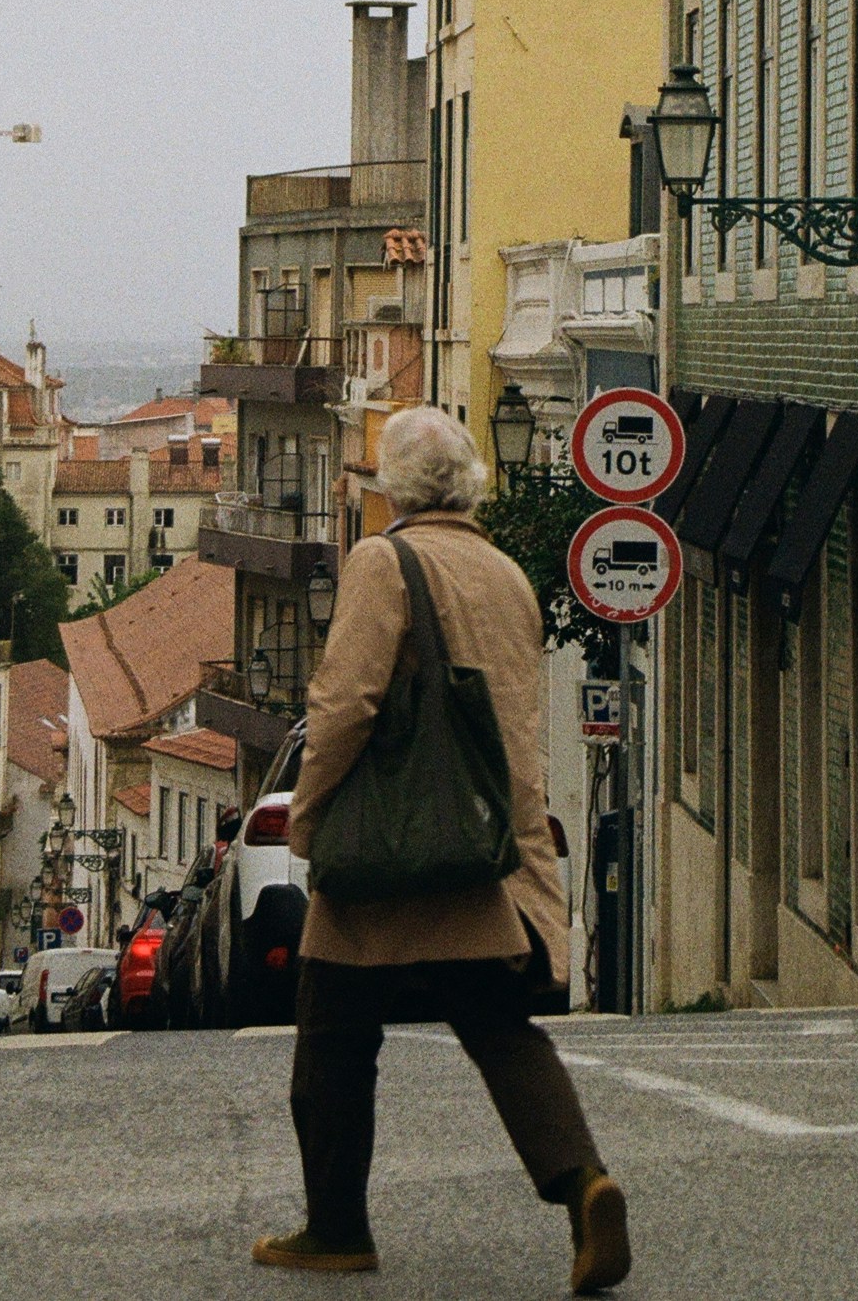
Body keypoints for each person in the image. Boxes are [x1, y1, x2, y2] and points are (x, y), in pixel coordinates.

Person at [256, 405, 629, 1293]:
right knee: (502, 1030)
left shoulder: (384, 561)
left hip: (393, 844)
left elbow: (345, 702)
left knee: (333, 1033)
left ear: (391, 487)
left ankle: (337, 1225)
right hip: (483, 845)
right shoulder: (505, 573)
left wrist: (307, 815)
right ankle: (585, 1185)